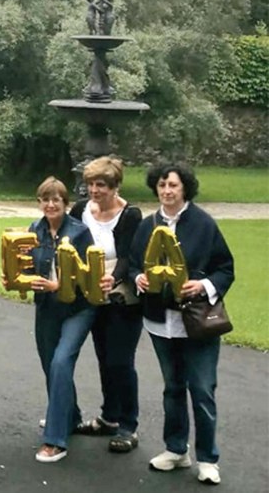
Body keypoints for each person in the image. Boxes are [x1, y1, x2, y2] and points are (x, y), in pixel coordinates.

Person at [129, 163, 234, 485]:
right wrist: (139, 278)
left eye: (173, 185)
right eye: (162, 185)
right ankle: (176, 450)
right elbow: (133, 263)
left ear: (184, 188)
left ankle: (207, 458)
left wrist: (203, 286)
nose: (167, 191)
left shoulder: (203, 224)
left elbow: (225, 268)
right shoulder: (148, 226)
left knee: (202, 389)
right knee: (172, 388)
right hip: (161, 322)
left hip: (197, 321)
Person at [25, 177, 112, 463]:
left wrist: (57, 286)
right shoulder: (33, 231)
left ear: (65, 204)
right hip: (47, 308)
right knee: (51, 366)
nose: (50, 205)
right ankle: (70, 416)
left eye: (56, 200)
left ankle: (55, 440)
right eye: (45, 199)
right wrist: (16, 279)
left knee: (61, 362)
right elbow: (25, 266)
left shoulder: (79, 232)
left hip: (78, 307)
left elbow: (88, 276)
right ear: (39, 203)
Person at [67, 157, 143, 453]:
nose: (94, 191)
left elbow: (129, 256)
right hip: (89, 295)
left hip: (121, 299)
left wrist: (113, 278)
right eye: (90, 184)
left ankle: (129, 424)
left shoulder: (130, 215)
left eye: (101, 185)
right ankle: (109, 417)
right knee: (103, 358)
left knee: (121, 361)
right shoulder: (80, 210)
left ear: (115, 186)